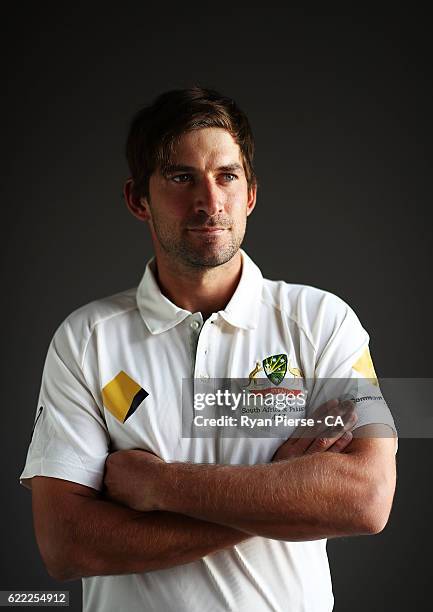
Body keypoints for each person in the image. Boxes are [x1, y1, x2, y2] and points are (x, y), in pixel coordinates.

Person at [20, 86, 398, 612]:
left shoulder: (323, 322)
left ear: (250, 194)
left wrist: (159, 484)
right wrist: (280, 494)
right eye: (181, 177)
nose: (209, 201)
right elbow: (66, 546)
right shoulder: (85, 340)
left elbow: (365, 499)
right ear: (138, 200)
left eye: (227, 176)